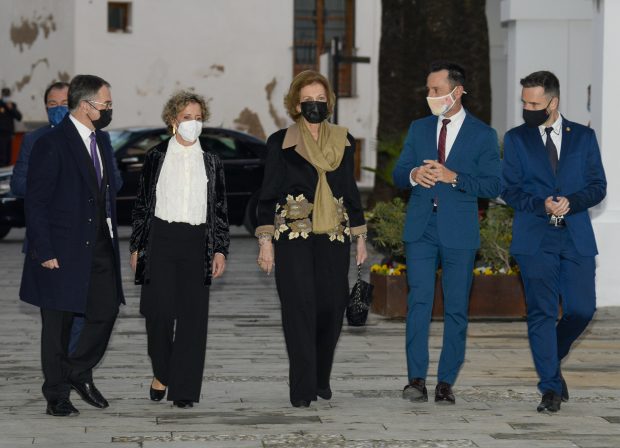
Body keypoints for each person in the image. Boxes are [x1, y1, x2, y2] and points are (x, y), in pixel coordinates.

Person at [255, 70, 368, 408]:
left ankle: (320, 375)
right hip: (293, 235)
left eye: (320, 99)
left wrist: (361, 237)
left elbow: (349, 189)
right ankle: (302, 388)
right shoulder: (281, 142)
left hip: (334, 235)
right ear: (296, 103)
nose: (315, 105)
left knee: (332, 307)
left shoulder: (344, 140)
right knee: (298, 308)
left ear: (329, 102)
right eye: (308, 100)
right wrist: (265, 241)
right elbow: (268, 193)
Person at [392, 61, 501, 404]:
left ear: (457, 91)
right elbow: (397, 173)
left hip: (459, 232)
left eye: (436, 90)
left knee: (456, 308)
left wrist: (453, 177)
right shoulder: (419, 128)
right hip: (421, 229)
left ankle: (445, 382)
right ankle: (416, 380)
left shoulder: (483, 134)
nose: (430, 96)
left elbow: (494, 183)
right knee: (419, 302)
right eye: (428, 90)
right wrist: (413, 176)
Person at [19, 74, 125, 417]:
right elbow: (35, 202)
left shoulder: (103, 140)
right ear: (86, 105)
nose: (109, 110)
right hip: (60, 249)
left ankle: (77, 370)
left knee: (106, 309)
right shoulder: (53, 142)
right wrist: (45, 251)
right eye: (105, 104)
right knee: (58, 325)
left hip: (99, 246)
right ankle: (57, 395)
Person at [502, 71, 606, 413]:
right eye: (524, 103)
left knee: (581, 309)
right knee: (542, 313)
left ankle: (552, 359)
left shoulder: (585, 137)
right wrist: (541, 204)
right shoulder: (516, 139)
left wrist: (572, 202)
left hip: (575, 236)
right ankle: (549, 387)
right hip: (535, 237)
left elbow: (598, 185)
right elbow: (510, 189)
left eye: (534, 103)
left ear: (553, 102)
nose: (527, 108)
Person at [129, 90, 229, 409]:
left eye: (199, 118)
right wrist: (137, 246)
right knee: (156, 313)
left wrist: (220, 249)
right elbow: (142, 205)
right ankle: (163, 371)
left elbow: (220, 209)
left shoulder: (211, 160)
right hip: (160, 237)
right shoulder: (156, 156)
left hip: (198, 240)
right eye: (187, 118)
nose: (194, 124)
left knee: (193, 318)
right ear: (173, 120)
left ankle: (184, 390)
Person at [0, 87, 23, 166]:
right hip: (1, 134)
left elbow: (19, 117)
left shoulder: (12, 105)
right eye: (4, 95)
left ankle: (6, 176)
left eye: (7, 95)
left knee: (8, 156)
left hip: (9, 133)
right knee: (2, 157)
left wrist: (11, 108)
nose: (6, 97)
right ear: (2, 95)